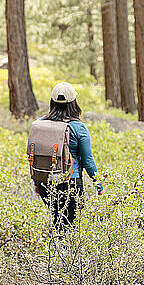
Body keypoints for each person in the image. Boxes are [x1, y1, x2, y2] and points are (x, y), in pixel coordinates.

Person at [34, 81, 103, 231]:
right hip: (70, 183)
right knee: (69, 227)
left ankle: (56, 251)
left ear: (52, 102)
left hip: (45, 182)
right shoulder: (79, 127)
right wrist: (99, 184)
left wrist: (36, 182)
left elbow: (37, 154)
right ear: (74, 103)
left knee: (57, 220)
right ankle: (64, 253)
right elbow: (88, 160)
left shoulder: (39, 124)